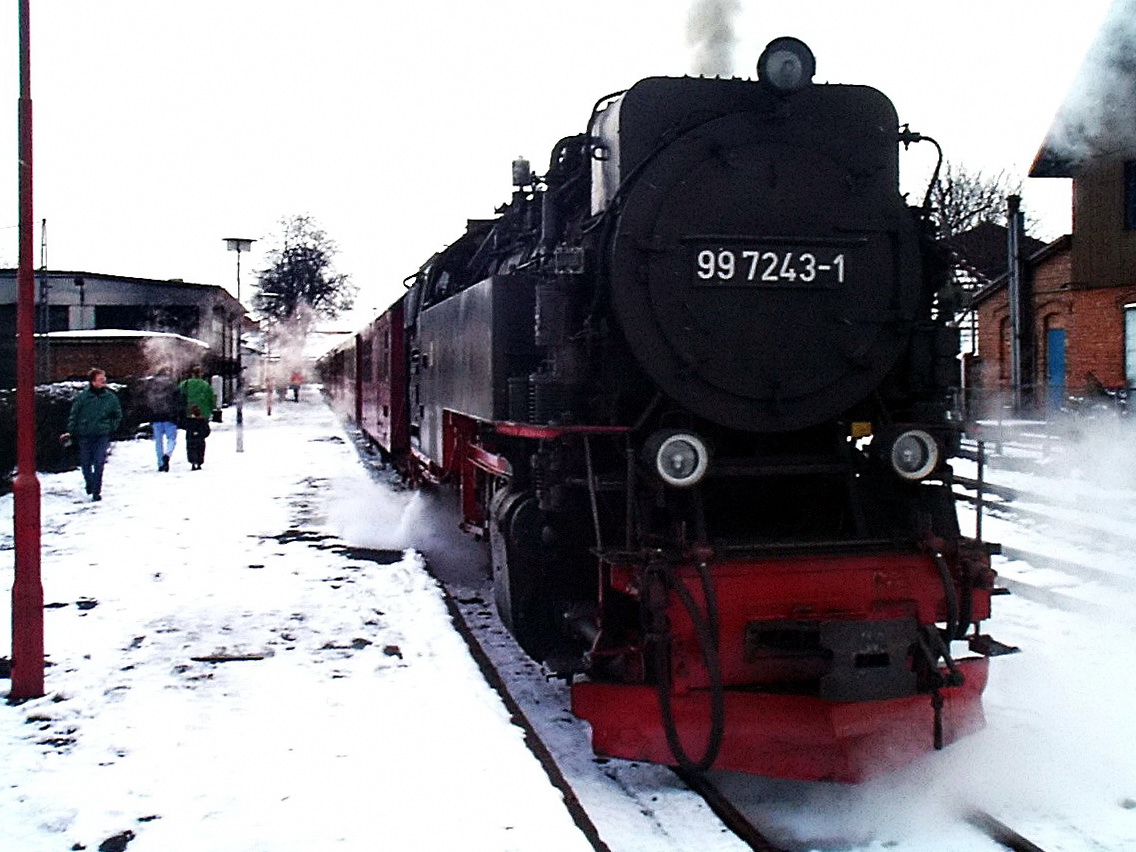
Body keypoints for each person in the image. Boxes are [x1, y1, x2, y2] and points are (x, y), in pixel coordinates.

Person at [60, 367, 123, 501]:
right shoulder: (83, 397)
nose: (104, 382)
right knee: (85, 463)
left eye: (104, 380)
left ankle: (96, 491)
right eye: (101, 380)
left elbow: (117, 414)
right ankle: (90, 483)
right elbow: (74, 415)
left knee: (99, 462)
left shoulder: (110, 398)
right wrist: (71, 431)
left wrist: (110, 426)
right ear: (93, 382)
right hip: (85, 434)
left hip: (102, 434)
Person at [142, 367, 184, 472]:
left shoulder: (152, 386)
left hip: (156, 417)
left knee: (158, 442)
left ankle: (160, 463)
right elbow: (179, 401)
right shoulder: (172, 385)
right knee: (171, 439)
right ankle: (167, 454)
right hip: (170, 417)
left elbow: (147, 400)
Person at [184, 405, 211, 470]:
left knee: (191, 451)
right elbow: (207, 430)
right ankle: (199, 464)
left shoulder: (189, 420)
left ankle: (193, 463)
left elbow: (185, 426)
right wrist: (202, 435)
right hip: (200, 439)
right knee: (200, 451)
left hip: (191, 439)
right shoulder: (203, 420)